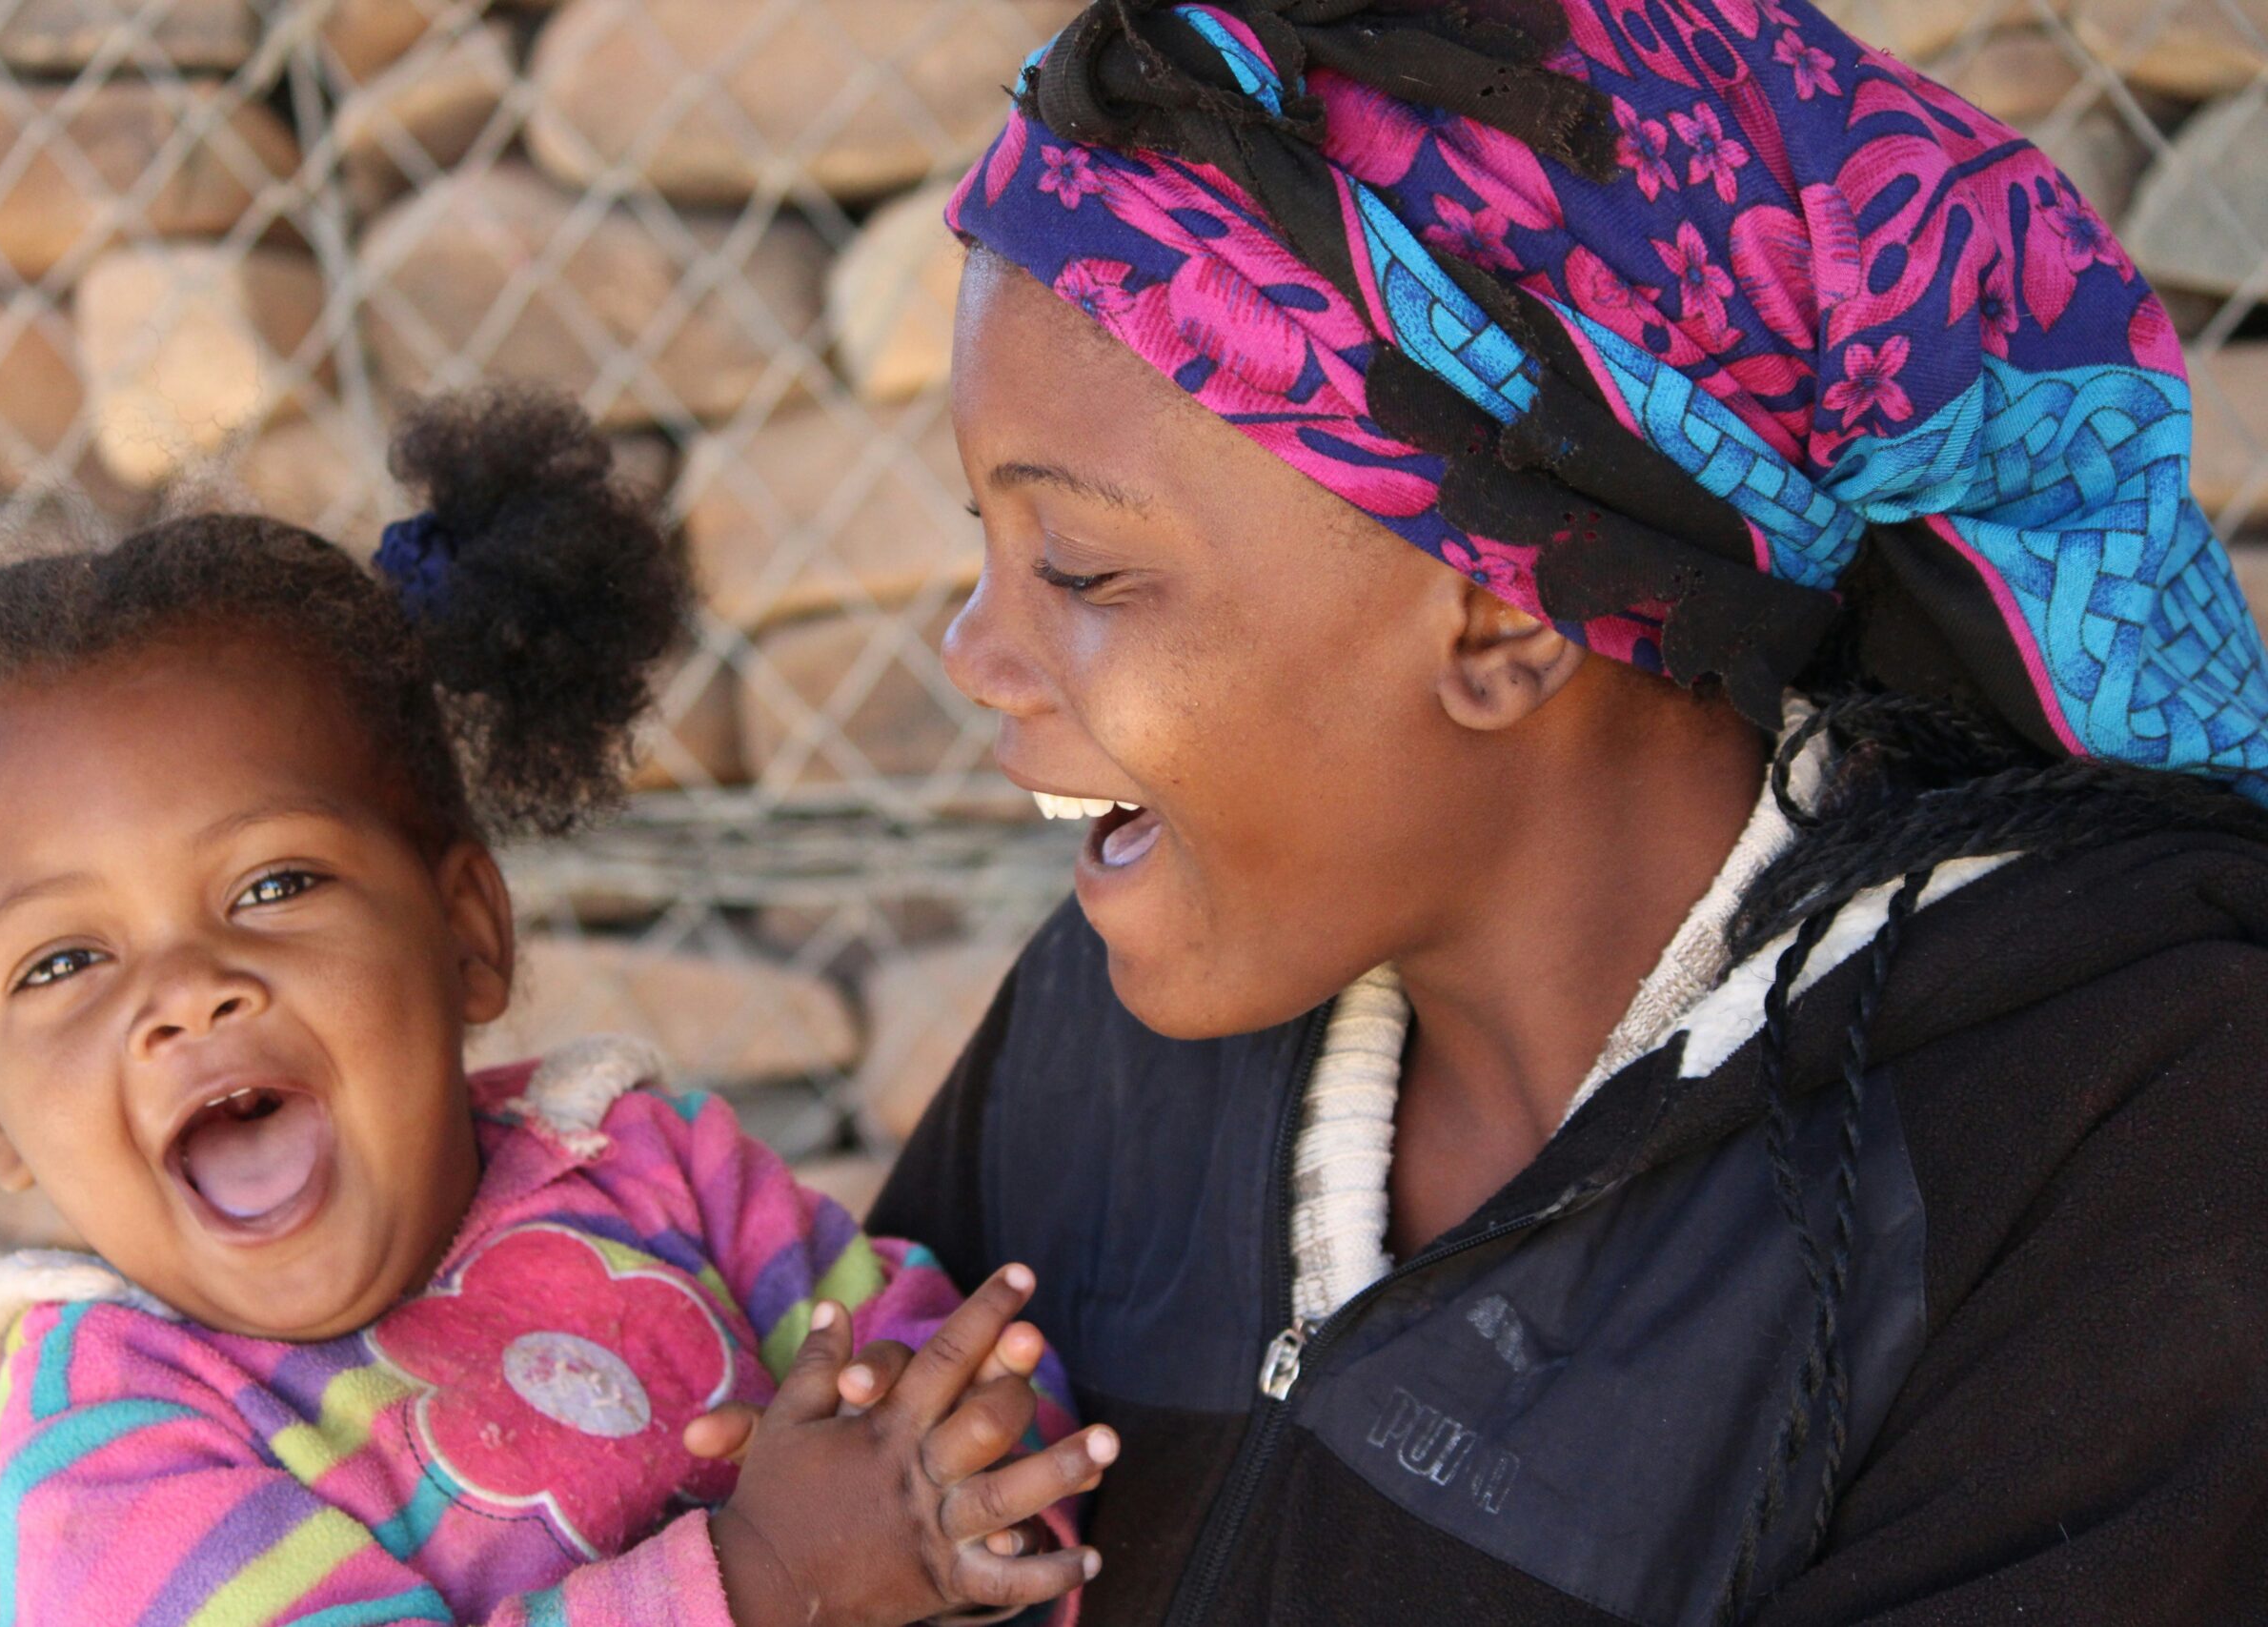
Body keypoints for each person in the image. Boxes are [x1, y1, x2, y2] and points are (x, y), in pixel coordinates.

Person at [865, 1, 2268, 1622]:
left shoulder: (2118, 1131)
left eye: (1083, 569)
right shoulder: (1106, 1046)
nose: (973, 652)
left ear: (1509, 618)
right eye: (983, 537)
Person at [0, 388, 1117, 1627]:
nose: (187, 992)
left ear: (467, 932)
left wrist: (947, 1485)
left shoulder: (652, 1171)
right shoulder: (99, 1434)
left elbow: (951, 1381)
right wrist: (769, 1578)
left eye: (273, 884)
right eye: (61, 963)